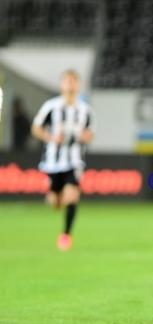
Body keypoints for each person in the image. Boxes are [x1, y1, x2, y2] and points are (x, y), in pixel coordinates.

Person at [31, 70, 95, 251]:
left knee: (72, 195)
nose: (70, 85)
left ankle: (66, 235)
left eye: (73, 81)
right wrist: (50, 138)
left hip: (74, 160)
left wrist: (85, 136)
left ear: (78, 85)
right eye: (67, 81)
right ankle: (54, 196)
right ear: (61, 85)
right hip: (53, 162)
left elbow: (90, 134)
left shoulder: (85, 110)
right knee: (55, 203)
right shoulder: (51, 106)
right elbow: (36, 128)